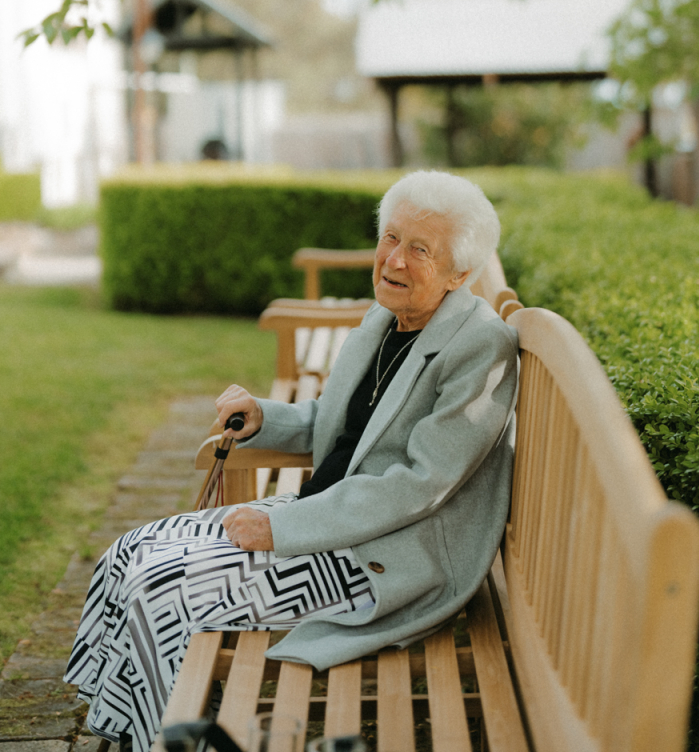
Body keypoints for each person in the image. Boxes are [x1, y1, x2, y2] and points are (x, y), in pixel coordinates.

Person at [65, 171, 519, 752]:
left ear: (460, 274)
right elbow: (341, 422)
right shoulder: (389, 317)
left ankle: (168, 742)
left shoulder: (479, 345)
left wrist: (280, 527)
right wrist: (264, 416)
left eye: (420, 250)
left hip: (385, 556)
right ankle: (128, 731)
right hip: (325, 516)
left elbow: (418, 486)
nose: (394, 260)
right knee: (128, 552)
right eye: (390, 238)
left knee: (163, 591)